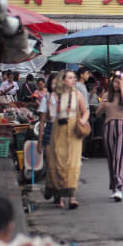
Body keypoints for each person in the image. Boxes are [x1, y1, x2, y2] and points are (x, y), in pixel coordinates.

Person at [43, 71, 89, 209]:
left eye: (74, 78)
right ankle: (59, 197)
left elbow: (86, 110)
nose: (73, 80)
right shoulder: (54, 95)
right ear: (62, 80)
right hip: (58, 131)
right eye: (70, 78)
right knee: (58, 162)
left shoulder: (78, 94)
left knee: (72, 163)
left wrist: (82, 120)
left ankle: (72, 197)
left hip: (73, 131)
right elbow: (50, 116)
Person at [97, 71, 123, 201]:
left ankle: (119, 186)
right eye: (115, 81)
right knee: (112, 159)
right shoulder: (107, 95)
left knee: (119, 157)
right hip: (108, 127)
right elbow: (97, 113)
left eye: (120, 81)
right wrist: (102, 105)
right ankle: (114, 187)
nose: (117, 84)